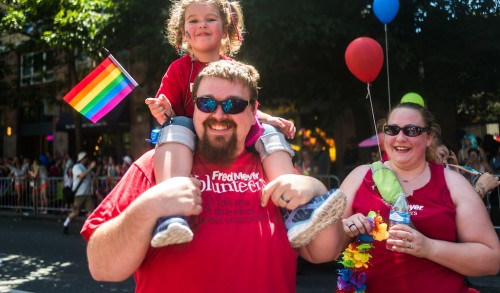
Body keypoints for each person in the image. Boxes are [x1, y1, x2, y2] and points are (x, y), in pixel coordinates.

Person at [82, 60, 346, 292]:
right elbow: (103, 268)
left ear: (253, 111)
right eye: (206, 103)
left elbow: (324, 252)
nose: (218, 114)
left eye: (233, 104)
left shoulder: (276, 169)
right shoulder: (157, 165)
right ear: (194, 108)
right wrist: (148, 207)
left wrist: (316, 190)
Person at [143, 0, 315, 248]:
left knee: (269, 134)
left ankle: (293, 211)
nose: (202, 25)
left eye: (210, 19)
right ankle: (171, 211)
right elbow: (169, 112)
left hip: (234, 133)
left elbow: (247, 110)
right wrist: (163, 110)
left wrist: (270, 120)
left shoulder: (237, 69)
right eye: (194, 20)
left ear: (225, 30)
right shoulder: (178, 69)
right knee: (176, 125)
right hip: (194, 134)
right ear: (183, 33)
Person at [336, 102, 500, 292]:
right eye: (392, 129)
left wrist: (429, 248)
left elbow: (492, 260)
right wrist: (344, 229)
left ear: (429, 138)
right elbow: (323, 251)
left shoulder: (453, 184)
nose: (400, 137)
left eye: (412, 130)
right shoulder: (360, 177)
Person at [63, 151, 96, 235]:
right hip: (79, 194)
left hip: (87, 193)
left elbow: (93, 177)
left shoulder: (86, 167)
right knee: (75, 212)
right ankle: (65, 224)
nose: (87, 159)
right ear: (82, 159)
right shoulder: (76, 167)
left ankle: (90, 230)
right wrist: (90, 168)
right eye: (86, 158)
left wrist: (97, 168)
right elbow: (81, 176)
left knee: (90, 212)